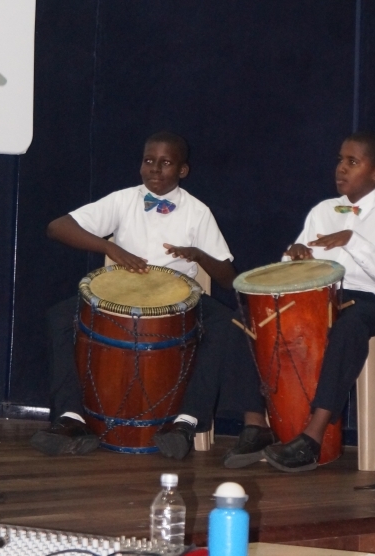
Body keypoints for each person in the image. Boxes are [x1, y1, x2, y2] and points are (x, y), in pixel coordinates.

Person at [30, 131, 275, 464]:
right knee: (59, 316)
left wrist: (199, 255)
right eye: (149, 161)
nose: (155, 170)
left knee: (231, 325)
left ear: (182, 170)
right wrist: (108, 246)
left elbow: (229, 279)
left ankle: (185, 423)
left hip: (180, 300)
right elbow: (57, 227)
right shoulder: (123, 199)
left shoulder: (197, 211)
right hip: (121, 292)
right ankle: (72, 418)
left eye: (166, 163)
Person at [262, 131, 375, 472]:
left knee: (349, 325)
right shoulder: (323, 210)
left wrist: (352, 240)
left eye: (352, 162)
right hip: (325, 296)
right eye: (340, 160)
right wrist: (294, 257)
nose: (341, 168)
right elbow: (292, 269)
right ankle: (261, 426)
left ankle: (312, 436)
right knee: (267, 319)